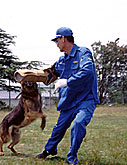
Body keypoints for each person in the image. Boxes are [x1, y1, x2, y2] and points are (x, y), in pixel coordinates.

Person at [35, 27, 100, 164]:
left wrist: (67, 81)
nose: (56, 44)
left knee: (78, 123)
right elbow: (53, 72)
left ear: (63, 39)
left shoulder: (83, 53)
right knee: (59, 127)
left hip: (86, 99)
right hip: (69, 100)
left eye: (57, 40)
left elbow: (87, 71)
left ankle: (72, 157)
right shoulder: (62, 60)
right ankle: (49, 150)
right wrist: (39, 75)